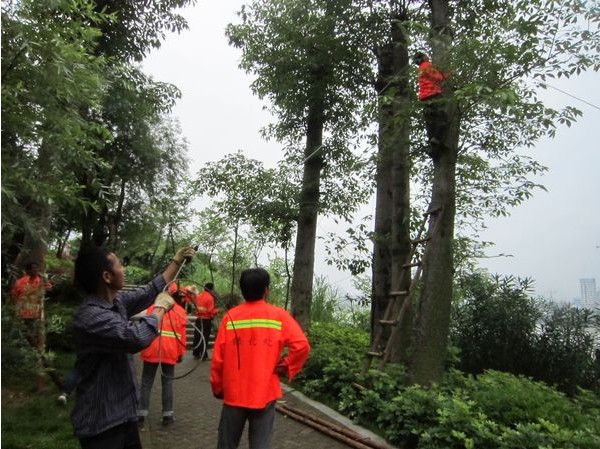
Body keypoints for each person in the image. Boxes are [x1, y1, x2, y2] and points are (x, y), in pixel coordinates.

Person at [70, 245, 195, 449]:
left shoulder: (116, 303)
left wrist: (176, 261)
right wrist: (160, 308)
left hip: (124, 417)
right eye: (120, 264)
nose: (124, 269)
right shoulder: (92, 316)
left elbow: (150, 290)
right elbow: (136, 338)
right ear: (107, 276)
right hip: (102, 425)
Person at [210, 268, 310, 449]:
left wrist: (217, 386)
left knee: (226, 444)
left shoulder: (230, 317)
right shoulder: (279, 316)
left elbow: (218, 358)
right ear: (266, 290)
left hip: (234, 392)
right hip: (264, 392)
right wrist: (285, 366)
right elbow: (302, 346)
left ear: (242, 290)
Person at [137, 291, 187, 426]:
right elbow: (182, 335)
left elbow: (144, 328)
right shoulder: (180, 311)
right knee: (168, 382)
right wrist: (181, 352)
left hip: (152, 348)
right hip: (170, 350)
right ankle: (168, 415)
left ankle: (141, 413)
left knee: (146, 381)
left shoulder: (152, 308)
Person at [413, 51, 451, 148]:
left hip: (425, 98)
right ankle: (437, 139)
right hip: (433, 95)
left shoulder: (421, 69)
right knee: (443, 118)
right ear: (423, 58)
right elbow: (438, 77)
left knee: (431, 122)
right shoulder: (426, 65)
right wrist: (448, 74)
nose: (428, 56)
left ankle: (433, 144)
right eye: (426, 55)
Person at [11, 261, 52, 348]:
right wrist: (17, 308)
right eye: (33, 269)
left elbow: (49, 289)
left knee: (33, 335)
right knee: (21, 333)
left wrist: (45, 280)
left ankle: (34, 351)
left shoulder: (40, 280)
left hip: (35, 313)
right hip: (21, 312)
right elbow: (14, 296)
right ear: (27, 271)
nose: (35, 270)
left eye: (36, 268)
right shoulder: (20, 281)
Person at [192, 282, 220, 360]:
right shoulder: (210, 298)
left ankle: (196, 353)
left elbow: (196, 308)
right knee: (204, 337)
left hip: (198, 320)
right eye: (213, 289)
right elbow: (210, 311)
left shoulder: (199, 296)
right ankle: (204, 355)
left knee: (197, 336)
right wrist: (217, 310)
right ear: (211, 289)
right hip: (206, 320)